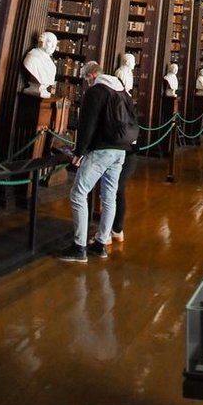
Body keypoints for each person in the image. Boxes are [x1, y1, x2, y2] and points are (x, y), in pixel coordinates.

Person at [58, 61, 131, 263]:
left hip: (102, 150)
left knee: (78, 193)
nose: (86, 83)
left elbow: (87, 124)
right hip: (121, 151)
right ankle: (100, 244)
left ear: (90, 76)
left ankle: (79, 247)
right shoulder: (121, 90)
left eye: (85, 79)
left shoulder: (96, 91)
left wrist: (79, 152)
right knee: (109, 196)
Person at [109, 55, 139, 246]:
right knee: (115, 191)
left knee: (115, 190)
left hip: (124, 152)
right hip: (123, 151)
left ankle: (112, 230)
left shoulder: (121, 103)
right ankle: (113, 229)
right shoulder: (124, 101)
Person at [21, 31, 58, 96]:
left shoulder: (53, 67)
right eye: (50, 42)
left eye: (54, 44)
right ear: (42, 41)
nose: (53, 46)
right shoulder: (32, 57)